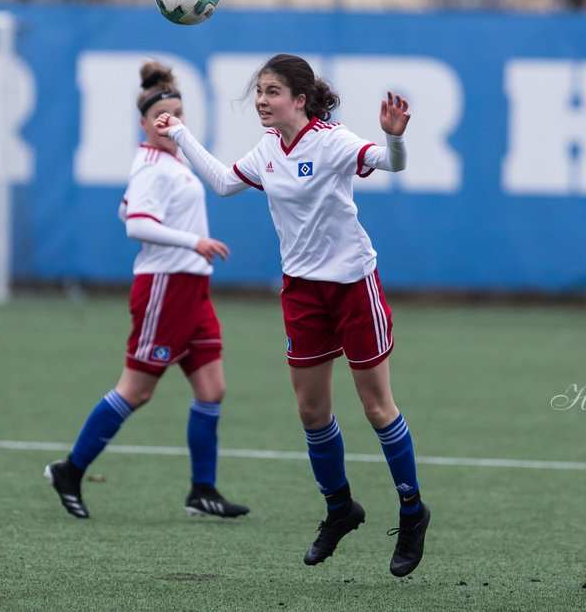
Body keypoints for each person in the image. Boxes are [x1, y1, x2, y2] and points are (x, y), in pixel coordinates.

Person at [153, 53, 430, 577]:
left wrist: (394, 136)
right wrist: (182, 135)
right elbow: (223, 182)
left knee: (376, 408)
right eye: (259, 91)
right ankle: (339, 507)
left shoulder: (332, 141)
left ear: (299, 100)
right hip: (302, 292)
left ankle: (413, 511)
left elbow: (392, 163)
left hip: (352, 286)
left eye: (272, 91)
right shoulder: (267, 149)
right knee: (311, 413)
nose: (261, 100)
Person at [45, 61, 249, 521]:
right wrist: (193, 241)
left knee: (212, 389)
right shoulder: (154, 167)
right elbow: (137, 223)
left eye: (176, 115)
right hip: (165, 287)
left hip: (193, 289)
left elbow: (125, 210)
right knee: (136, 390)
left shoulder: (168, 161)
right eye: (160, 116)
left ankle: (202, 490)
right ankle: (70, 470)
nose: (169, 122)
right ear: (143, 122)